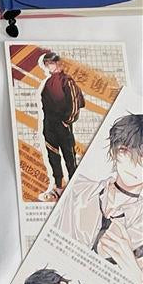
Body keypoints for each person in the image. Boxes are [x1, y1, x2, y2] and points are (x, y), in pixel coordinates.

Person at [52, 113, 143, 280]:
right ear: (115, 151)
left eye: (142, 157)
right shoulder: (79, 189)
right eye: (124, 151)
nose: (133, 164)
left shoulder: (139, 221)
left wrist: (134, 272)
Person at [37, 51, 84, 202]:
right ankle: (58, 186)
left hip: (62, 125)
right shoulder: (48, 82)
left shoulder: (67, 81)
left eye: (50, 63)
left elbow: (75, 103)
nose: (48, 66)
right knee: (53, 155)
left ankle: (74, 187)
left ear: (58, 63)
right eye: (46, 64)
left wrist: (67, 121)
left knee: (69, 156)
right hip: (49, 125)